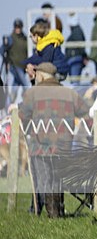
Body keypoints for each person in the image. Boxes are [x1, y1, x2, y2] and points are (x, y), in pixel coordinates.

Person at [18, 62, 89, 217]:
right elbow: (87, 116)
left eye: (36, 74)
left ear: (42, 75)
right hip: (64, 145)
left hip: (39, 145)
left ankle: (52, 216)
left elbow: (22, 116)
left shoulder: (33, 93)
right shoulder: (70, 93)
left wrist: (29, 130)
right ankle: (58, 213)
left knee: (44, 181)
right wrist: (78, 134)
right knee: (57, 180)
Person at [2, 18, 30, 103]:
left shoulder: (25, 39)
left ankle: (10, 104)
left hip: (23, 66)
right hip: (14, 65)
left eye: (19, 27)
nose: (17, 29)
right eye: (16, 27)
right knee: (25, 84)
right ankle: (28, 100)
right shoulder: (11, 38)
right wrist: (6, 61)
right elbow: (2, 49)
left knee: (16, 84)